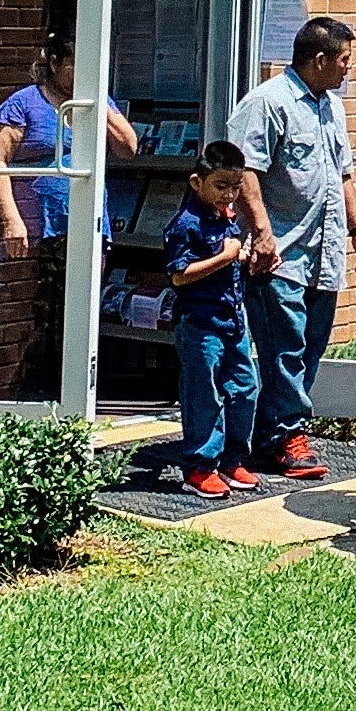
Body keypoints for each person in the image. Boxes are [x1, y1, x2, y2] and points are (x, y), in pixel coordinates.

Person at [223, 13, 356, 484]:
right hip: (281, 253)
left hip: (324, 255)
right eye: (345, 60)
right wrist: (262, 232)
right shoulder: (268, 103)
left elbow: (342, 172)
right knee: (284, 349)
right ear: (320, 58)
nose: (350, 69)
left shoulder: (332, 107)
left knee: (309, 347)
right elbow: (245, 171)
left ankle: (273, 438)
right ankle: (288, 436)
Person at [0, 37, 143, 399]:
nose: (80, 73)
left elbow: (128, 147)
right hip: (38, 227)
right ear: (54, 63)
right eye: (74, 65)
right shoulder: (25, 103)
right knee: (38, 316)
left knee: (75, 316)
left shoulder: (94, 101)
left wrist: (97, 100)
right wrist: (11, 220)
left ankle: (66, 395)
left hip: (85, 227)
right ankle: (28, 396)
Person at [159, 141, 262, 500]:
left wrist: (243, 257)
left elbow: (231, 256)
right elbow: (179, 274)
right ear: (196, 182)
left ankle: (232, 460)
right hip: (200, 322)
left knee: (245, 387)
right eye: (221, 186)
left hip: (233, 317)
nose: (229, 195)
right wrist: (226, 256)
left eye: (235, 187)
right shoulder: (186, 225)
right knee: (205, 393)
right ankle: (200, 468)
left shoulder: (226, 216)